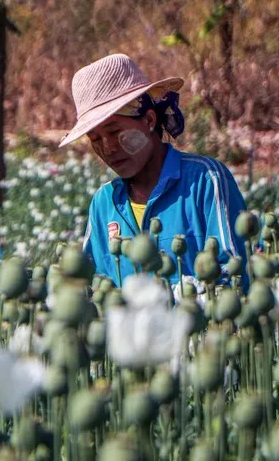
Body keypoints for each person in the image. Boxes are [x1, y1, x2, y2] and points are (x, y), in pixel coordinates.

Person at [59, 54, 248, 289]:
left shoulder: (206, 181)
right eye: (95, 138)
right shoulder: (104, 204)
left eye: (114, 130)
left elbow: (234, 275)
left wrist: (177, 301)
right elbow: (92, 286)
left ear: (149, 120)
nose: (107, 147)